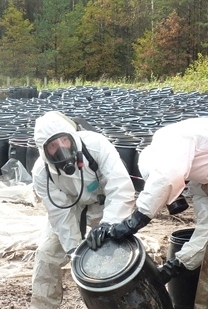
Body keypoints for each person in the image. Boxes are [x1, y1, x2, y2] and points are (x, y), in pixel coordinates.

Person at [85, 117, 208, 306]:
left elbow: (166, 178)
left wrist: (133, 222)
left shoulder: (172, 139)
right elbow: (206, 230)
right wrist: (176, 265)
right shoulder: (200, 175)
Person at [29, 111, 136, 309]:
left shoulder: (96, 145)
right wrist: (74, 252)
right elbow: (59, 215)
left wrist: (108, 225)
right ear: (44, 151)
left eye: (64, 140)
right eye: (53, 146)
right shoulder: (42, 173)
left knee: (117, 254)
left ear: (73, 137)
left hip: (105, 204)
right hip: (71, 207)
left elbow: (120, 187)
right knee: (46, 255)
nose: (61, 149)